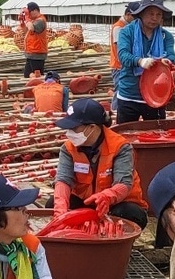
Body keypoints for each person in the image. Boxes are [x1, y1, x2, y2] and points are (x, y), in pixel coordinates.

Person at [48, 98, 149, 229]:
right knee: (52, 204)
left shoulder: (120, 147)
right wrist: (60, 210)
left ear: (91, 127)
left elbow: (124, 183)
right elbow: (63, 180)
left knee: (128, 213)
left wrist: (107, 196)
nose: (69, 133)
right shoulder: (68, 149)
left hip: (116, 204)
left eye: (74, 128)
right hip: (85, 203)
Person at [115, 0, 175, 124]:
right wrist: (140, 61)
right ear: (141, 14)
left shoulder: (166, 36)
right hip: (129, 95)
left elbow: (171, 55)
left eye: (158, 15)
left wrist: (167, 61)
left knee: (156, 131)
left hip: (156, 95)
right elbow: (123, 55)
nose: (154, 18)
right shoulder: (127, 32)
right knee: (125, 132)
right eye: (150, 14)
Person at [108, 5, 133, 119]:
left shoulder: (127, 27)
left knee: (123, 90)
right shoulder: (119, 27)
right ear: (128, 15)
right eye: (134, 17)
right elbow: (120, 49)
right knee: (119, 91)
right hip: (119, 66)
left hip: (123, 65)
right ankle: (114, 115)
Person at [19, 2, 49, 78]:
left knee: (37, 77)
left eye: (29, 13)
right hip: (31, 53)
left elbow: (31, 28)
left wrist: (27, 18)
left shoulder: (40, 20)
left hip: (37, 54)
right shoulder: (33, 21)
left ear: (35, 10)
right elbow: (27, 31)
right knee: (27, 75)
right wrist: (22, 22)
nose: (28, 15)